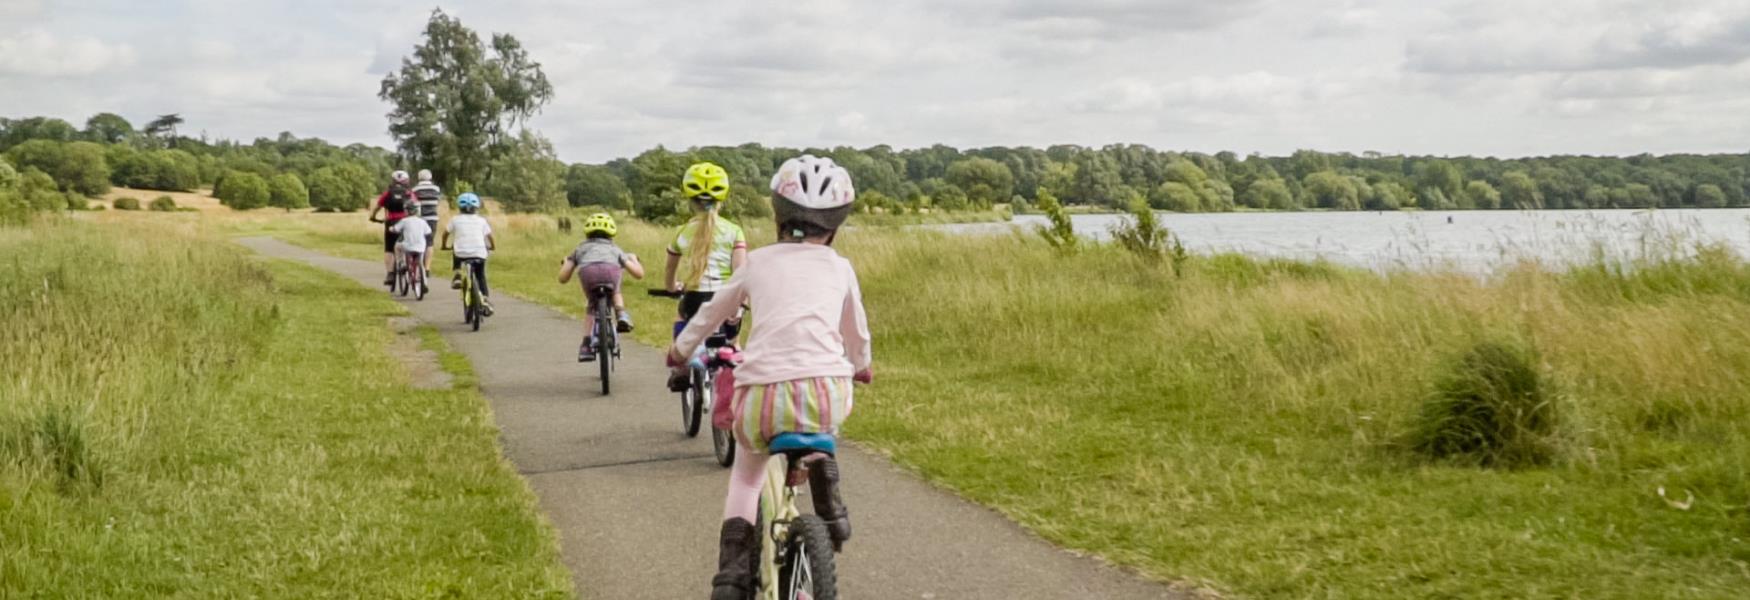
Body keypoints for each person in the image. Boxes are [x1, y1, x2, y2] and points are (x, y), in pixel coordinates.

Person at [667, 155, 871, 600]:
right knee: (820, 425)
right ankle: (829, 502)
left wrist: (680, 350)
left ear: (777, 215)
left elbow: (708, 316)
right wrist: (860, 366)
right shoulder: (840, 267)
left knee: (746, 477)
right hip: (827, 393)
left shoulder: (756, 263)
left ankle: (733, 577)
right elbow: (856, 332)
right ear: (835, 225)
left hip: (763, 396)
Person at [663, 162, 748, 387]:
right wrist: (741, 303)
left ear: (690, 202)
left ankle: (681, 369)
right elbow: (741, 273)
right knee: (733, 343)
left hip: (694, 298)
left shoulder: (682, 232)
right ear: (721, 201)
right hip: (726, 299)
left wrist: (671, 287)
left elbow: (670, 268)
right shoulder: (734, 231)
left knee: (682, 318)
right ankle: (736, 383)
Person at [558, 213, 644, 362]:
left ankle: (586, 346)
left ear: (588, 233)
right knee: (616, 291)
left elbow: (563, 278)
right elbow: (639, 274)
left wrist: (567, 261)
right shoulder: (616, 249)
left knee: (592, 305)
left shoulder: (581, 248)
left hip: (588, 273)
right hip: (611, 272)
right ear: (611, 234)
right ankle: (621, 314)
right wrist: (634, 259)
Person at [442, 192, 495, 315]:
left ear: (459, 207)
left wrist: (444, 245)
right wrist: (492, 246)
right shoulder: (481, 220)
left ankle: (457, 274)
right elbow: (490, 236)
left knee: (456, 250)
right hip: (479, 252)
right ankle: (485, 298)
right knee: (480, 275)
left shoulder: (455, 220)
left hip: (461, 253)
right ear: (477, 207)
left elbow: (445, 234)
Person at [367, 170, 415, 286]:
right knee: (409, 243)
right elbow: (415, 206)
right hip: (406, 222)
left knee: (389, 248)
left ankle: (390, 274)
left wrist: (373, 217)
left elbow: (377, 207)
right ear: (406, 181)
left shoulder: (388, 193)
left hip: (391, 222)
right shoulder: (409, 193)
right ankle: (409, 264)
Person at [389, 205, 432, 292]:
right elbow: (429, 231)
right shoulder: (422, 221)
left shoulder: (404, 221)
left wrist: (391, 229)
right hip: (420, 247)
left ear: (407, 212)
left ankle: (401, 262)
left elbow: (395, 229)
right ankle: (425, 283)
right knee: (421, 264)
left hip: (408, 246)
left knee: (397, 246)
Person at [411, 169, 443, 273]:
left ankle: (416, 264)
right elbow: (438, 201)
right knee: (429, 242)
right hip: (432, 218)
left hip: (419, 218)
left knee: (417, 241)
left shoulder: (415, 189)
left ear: (419, 177)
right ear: (430, 177)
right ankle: (427, 267)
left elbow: (412, 202)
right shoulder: (436, 189)